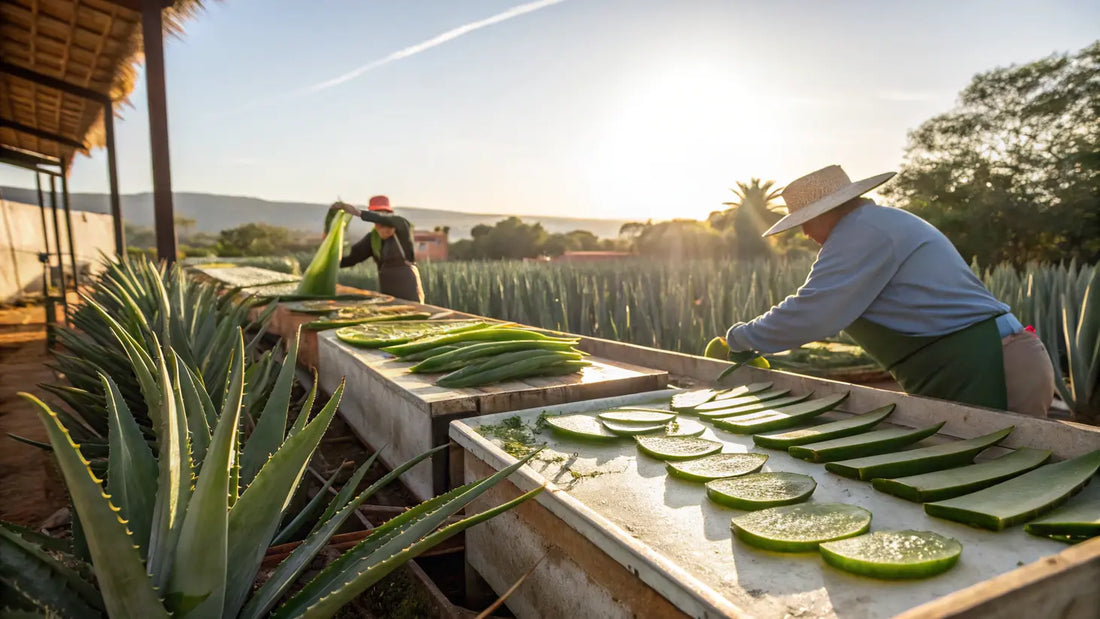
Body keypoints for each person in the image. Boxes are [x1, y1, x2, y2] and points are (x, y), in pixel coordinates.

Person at [719, 165, 1055, 417]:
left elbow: (813, 313)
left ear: (830, 210)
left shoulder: (862, 231)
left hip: (994, 366)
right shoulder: (874, 224)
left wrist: (739, 338)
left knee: (996, 490)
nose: (805, 232)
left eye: (806, 220)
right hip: (975, 363)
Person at [331, 196, 425, 303]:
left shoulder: (401, 225)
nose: (380, 223)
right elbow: (352, 258)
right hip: (387, 287)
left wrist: (357, 212)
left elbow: (381, 218)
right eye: (376, 214)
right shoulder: (372, 239)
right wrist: (330, 263)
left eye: (384, 214)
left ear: (390, 215)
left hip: (408, 286)